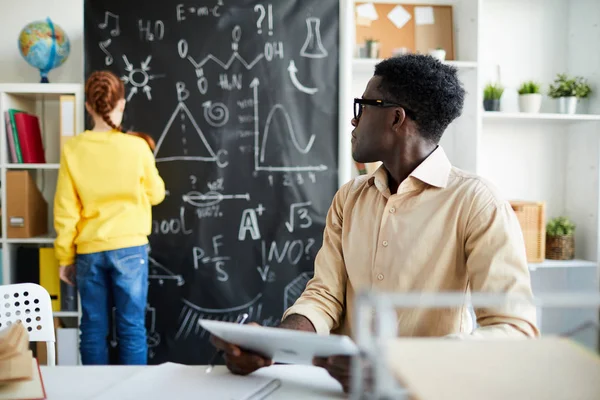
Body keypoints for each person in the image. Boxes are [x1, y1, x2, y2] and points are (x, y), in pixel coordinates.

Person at [210, 54, 539, 392]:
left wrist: (398, 367)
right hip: (339, 391)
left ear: (396, 118)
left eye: (363, 106)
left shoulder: (477, 202)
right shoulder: (350, 198)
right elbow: (325, 297)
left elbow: (513, 330)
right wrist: (270, 345)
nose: (353, 122)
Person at [54, 70, 166, 365]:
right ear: (122, 103)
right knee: (131, 329)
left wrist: (65, 258)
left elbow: (66, 210)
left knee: (92, 330)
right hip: (130, 249)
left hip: (89, 252)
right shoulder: (137, 147)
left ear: (89, 106)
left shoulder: (73, 149)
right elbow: (156, 194)